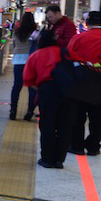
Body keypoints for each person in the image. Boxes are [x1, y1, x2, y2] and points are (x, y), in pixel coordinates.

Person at [68, 11, 101, 156]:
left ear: (87, 23)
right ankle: (93, 146)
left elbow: (69, 55)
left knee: (78, 116)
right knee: (100, 118)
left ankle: (76, 146)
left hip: (81, 80)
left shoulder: (79, 37)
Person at [23, 28, 73, 169]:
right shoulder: (67, 53)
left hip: (47, 91)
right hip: (69, 92)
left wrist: (42, 89)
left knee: (47, 125)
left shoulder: (36, 55)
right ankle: (59, 160)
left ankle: (47, 159)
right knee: (65, 126)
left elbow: (28, 79)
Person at [9, 12, 38, 120]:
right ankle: (29, 112)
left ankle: (13, 111)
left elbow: (14, 45)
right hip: (31, 61)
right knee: (32, 87)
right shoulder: (35, 33)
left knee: (17, 86)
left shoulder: (17, 32)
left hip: (18, 61)